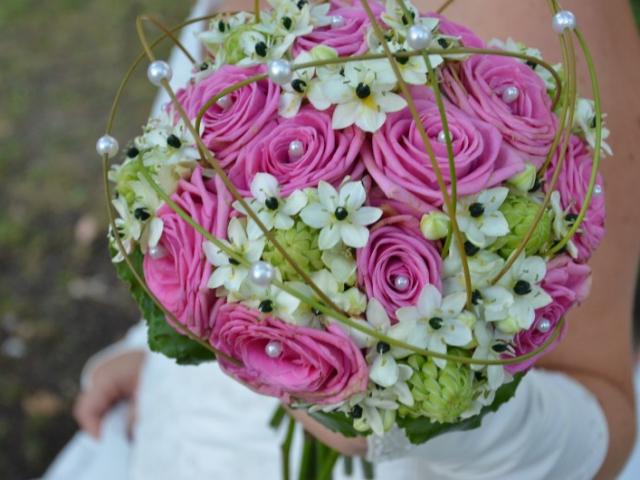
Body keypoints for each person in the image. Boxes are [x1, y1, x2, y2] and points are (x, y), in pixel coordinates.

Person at [44, 0, 640, 478]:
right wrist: (150, 351)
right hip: (188, 438)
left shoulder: (552, 11)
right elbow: (197, 188)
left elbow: (606, 420)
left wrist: (397, 420)